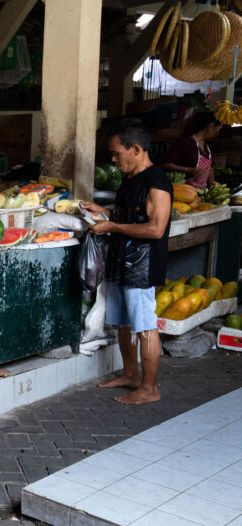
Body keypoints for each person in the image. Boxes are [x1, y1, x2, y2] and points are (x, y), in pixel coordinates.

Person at [81, 120, 172, 405]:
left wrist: (112, 227)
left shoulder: (158, 182)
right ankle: (131, 374)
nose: (112, 159)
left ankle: (149, 388)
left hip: (143, 266)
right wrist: (105, 211)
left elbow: (156, 229)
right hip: (122, 260)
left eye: (116, 153)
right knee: (122, 324)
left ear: (135, 149)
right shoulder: (129, 178)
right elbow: (129, 216)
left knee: (144, 327)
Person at [159, 109, 221, 190]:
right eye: (218, 130)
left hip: (201, 193)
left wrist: (212, 184)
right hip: (184, 192)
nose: (217, 133)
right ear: (210, 127)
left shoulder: (207, 146)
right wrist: (187, 169)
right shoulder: (186, 143)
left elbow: (210, 167)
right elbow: (164, 164)